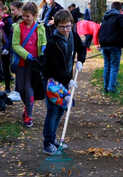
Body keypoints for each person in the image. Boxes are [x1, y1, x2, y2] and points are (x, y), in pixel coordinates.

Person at [42, 9, 86, 155]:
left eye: (68, 26)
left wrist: (80, 60)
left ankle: (53, 138)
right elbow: (54, 67)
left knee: (61, 109)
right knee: (53, 110)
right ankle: (47, 142)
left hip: (65, 78)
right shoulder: (53, 42)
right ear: (56, 26)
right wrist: (69, 79)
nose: (66, 30)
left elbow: (82, 48)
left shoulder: (73, 35)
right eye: (62, 27)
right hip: (52, 80)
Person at [12, 2, 46, 127]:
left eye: (27, 16)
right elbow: (15, 45)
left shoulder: (40, 28)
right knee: (21, 89)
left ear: (34, 15)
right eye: (23, 16)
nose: (25, 19)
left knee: (28, 88)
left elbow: (43, 40)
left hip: (34, 64)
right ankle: (27, 107)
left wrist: (43, 46)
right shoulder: (17, 28)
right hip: (21, 61)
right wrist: (26, 55)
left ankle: (29, 116)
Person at [98, 1, 123, 94]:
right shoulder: (119, 17)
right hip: (114, 45)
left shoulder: (105, 17)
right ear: (120, 10)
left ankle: (105, 88)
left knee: (107, 66)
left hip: (104, 45)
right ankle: (111, 88)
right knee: (114, 66)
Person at [0, 1, 12, 94]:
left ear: (0, 10)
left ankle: (7, 87)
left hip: (5, 47)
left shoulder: (7, 19)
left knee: (5, 68)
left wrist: (8, 48)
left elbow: (10, 33)